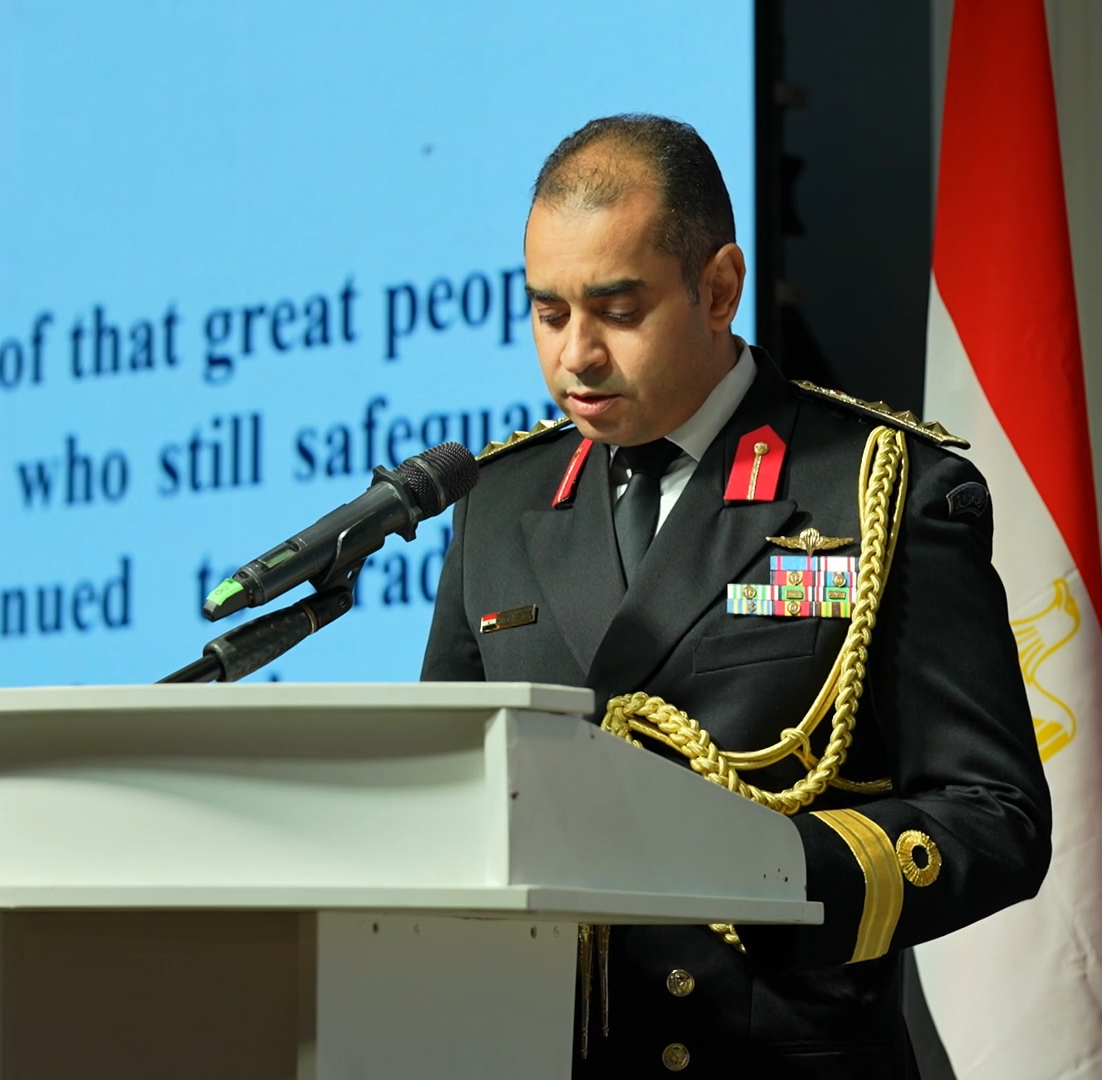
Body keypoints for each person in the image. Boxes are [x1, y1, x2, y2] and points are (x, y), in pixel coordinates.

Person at [421, 114, 1049, 1079]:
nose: (576, 355)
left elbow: (995, 816)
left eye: (617, 311)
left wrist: (777, 873)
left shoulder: (878, 489)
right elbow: (447, 796)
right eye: (549, 313)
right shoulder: (500, 504)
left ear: (718, 288)